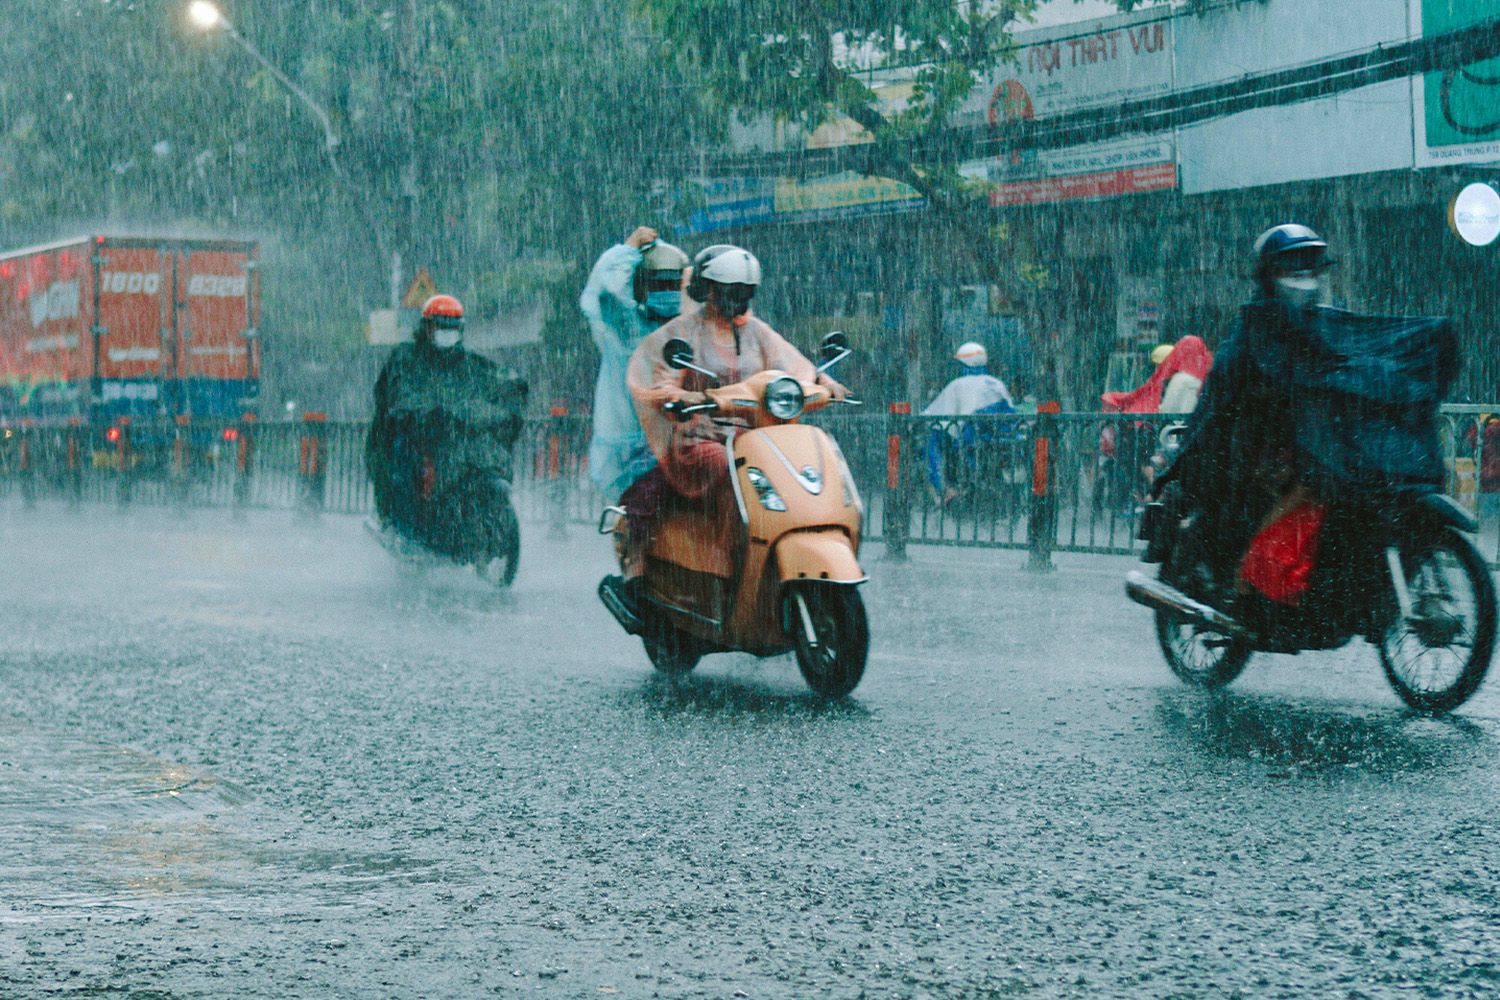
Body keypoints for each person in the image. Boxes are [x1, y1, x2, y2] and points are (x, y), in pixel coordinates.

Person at [1154, 222, 1457, 613]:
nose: (1304, 279)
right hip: (1256, 451)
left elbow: (1364, 348)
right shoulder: (1254, 329)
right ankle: (1246, 587)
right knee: (1306, 490)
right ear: (1269, 276)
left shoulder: (1324, 325)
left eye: (1311, 269)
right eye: (1292, 269)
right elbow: (1219, 403)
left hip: (1315, 444)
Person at [600, 244, 845, 612]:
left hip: (756, 437)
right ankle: (732, 568)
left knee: (802, 465)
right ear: (707, 288)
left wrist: (823, 380)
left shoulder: (757, 332)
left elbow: (793, 365)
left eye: (746, 292)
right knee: (730, 471)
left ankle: (782, 559)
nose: (739, 300)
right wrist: (677, 397)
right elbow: (661, 378)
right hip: (699, 438)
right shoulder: (682, 332)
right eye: (731, 291)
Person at [366, 294, 527, 530]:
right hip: (414, 435)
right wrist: (417, 412)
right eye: (441, 327)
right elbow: (397, 393)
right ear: (427, 328)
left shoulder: (467, 363)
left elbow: (497, 380)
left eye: (452, 328)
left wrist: (513, 389)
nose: (446, 333)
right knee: (405, 469)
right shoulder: (406, 358)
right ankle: (402, 529)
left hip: (453, 437)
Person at [580, 226, 691, 500]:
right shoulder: (622, 326)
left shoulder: (689, 325)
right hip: (632, 446)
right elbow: (603, 291)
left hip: (686, 437)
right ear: (640, 285)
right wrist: (627, 251)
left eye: (672, 284)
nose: (667, 292)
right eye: (658, 284)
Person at [920, 342, 1015, 504]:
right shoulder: (996, 384)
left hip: (968, 442)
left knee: (930, 443)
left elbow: (934, 416)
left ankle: (944, 488)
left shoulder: (957, 385)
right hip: (996, 441)